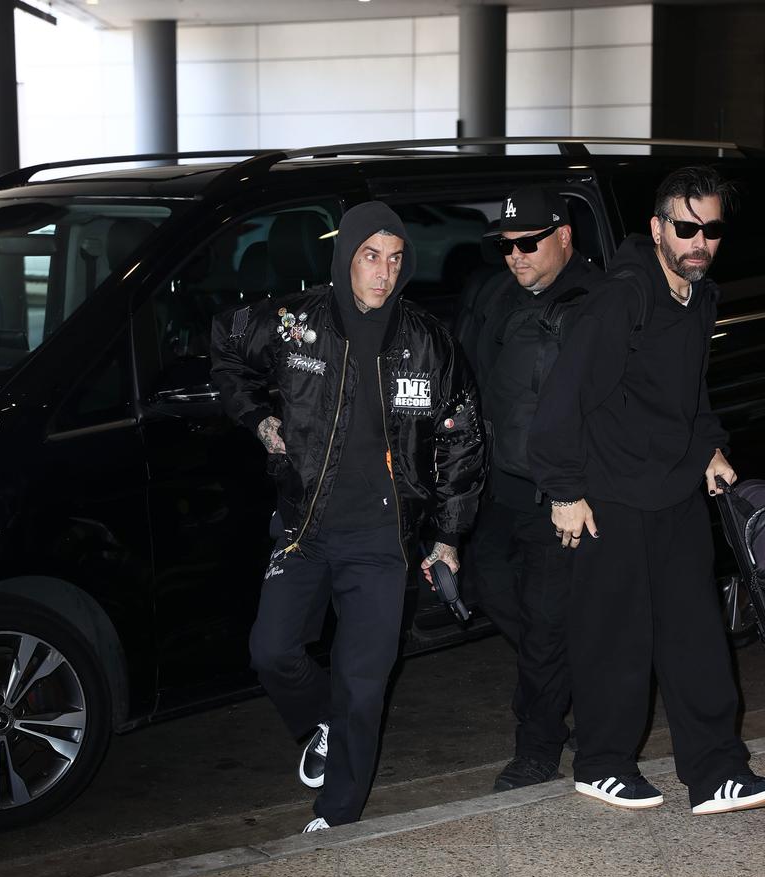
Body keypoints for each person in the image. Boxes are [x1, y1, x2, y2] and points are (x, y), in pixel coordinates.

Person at [211, 201, 484, 833]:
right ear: (345, 259)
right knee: (270, 652)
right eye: (370, 257)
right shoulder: (294, 323)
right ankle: (321, 723)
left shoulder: (426, 340)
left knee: (365, 683)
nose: (384, 274)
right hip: (304, 527)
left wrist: (446, 537)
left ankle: (337, 815)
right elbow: (224, 342)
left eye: (395, 260)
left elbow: (464, 438)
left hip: (381, 542)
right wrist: (256, 417)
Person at [528, 165, 765, 815]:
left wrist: (708, 444)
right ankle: (602, 764)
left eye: (711, 230)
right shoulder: (622, 298)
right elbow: (562, 399)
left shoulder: (700, 296)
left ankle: (717, 770)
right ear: (658, 228)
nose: (699, 242)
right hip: (609, 494)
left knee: (695, 634)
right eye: (686, 227)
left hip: (673, 488)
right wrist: (564, 489)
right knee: (616, 639)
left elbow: (688, 391)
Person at [461, 185, 603, 792]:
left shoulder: (601, 301)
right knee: (483, 583)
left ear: (564, 237)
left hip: (562, 496)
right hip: (501, 486)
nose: (515, 256)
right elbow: (467, 373)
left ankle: (539, 747)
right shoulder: (497, 294)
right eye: (506, 246)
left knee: (545, 625)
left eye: (528, 243)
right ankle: (566, 675)